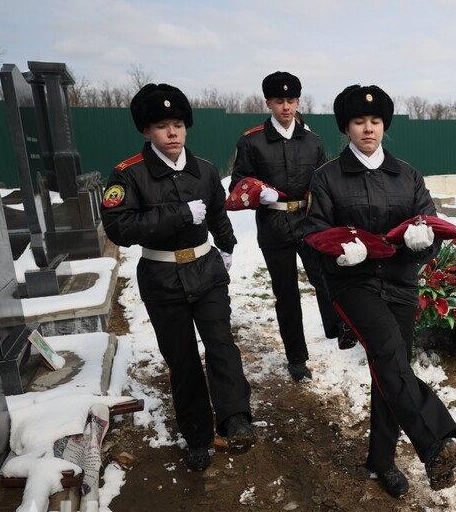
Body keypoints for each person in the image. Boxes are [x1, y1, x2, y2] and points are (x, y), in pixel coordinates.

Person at [303, 84, 456, 498]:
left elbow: (429, 224)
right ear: (346, 128)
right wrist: (339, 255)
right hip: (353, 283)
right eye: (359, 122)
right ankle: (435, 442)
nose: (368, 129)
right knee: (390, 353)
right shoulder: (327, 177)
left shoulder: (407, 174)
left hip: (400, 280)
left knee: (390, 370)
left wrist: (423, 243)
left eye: (375, 122)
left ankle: (382, 460)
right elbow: (312, 235)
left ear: (384, 126)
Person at [100, 83, 256, 471]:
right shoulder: (128, 176)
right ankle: (198, 435)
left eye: (178, 124)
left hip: (206, 271)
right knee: (182, 359)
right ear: (146, 132)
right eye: (162, 126)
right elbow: (119, 227)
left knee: (221, 344)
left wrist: (227, 247)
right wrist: (181, 214)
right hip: (161, 276)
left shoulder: (203, 169)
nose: (172, 133)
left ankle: (236, 419)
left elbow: (218, 212)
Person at [229, 71, 353, 384]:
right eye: (279, 100)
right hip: (274, 226)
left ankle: (338, 328)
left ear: (298, 101)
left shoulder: (311, 141)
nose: (286, 107)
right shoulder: (252, 141)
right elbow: (237, 183)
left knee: (325, 275)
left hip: (308, 222)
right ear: (268, 102)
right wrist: (259, 192)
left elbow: (325, 181)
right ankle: (297, 359)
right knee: (287, 294)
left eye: (291, 100)